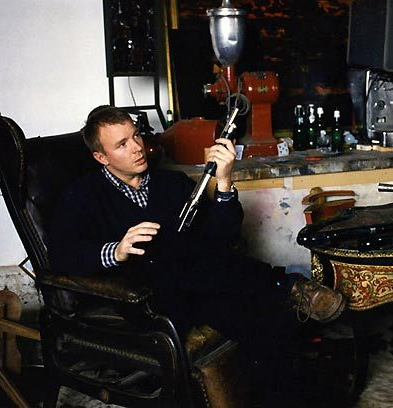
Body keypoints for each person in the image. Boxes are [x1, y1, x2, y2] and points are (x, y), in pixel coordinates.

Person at [48, 106, 345, 398]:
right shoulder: (81, 196)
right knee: (229, 289)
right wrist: (117, 250)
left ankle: (288, 388)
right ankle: (285, 284)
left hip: (198, 287)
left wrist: (225, 181)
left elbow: (222, 237)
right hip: (144, 296)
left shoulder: (173, 183)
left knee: (261, 321)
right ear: (101, 157)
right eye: (122, 144)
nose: (137, 147)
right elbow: (61, 255)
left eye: (136, 135)